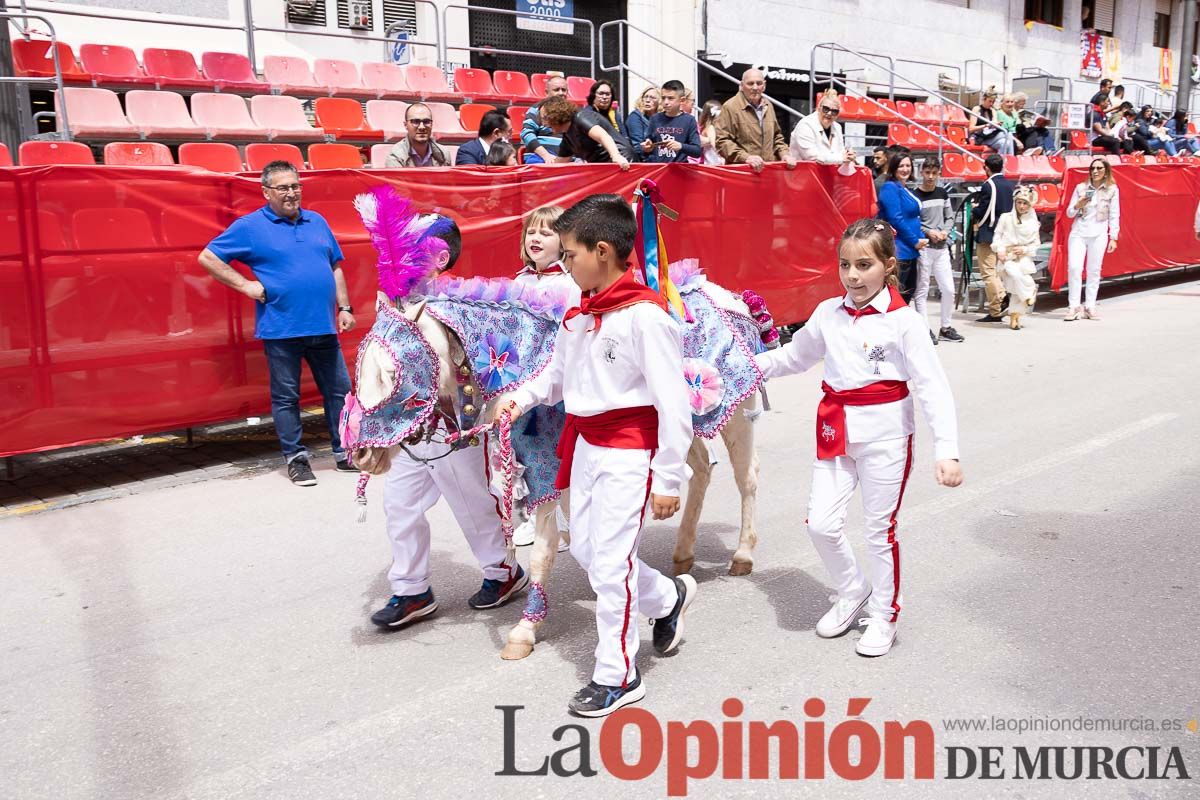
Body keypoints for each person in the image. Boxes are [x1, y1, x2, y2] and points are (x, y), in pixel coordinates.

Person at [495, 194, 697, 716]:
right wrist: (519, 398)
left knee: (609, 565)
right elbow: (556, 378)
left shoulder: (646, 318)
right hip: (584, 448)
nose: (562, 264)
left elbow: (675, 404)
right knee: (586, 552)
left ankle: (618, 674)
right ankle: (667, 599)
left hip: (630, 452)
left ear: (602, 251)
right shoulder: (579, 315)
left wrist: (669, 477)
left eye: (568, 254)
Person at [753, 218, 962, 658]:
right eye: (845, 264)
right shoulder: (828, 313)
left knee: (878, 532)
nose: (852, 275)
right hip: (835, 431)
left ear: (888, 265)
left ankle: (884, 614)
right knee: (822, 524)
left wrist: (947, 451)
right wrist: (748, 367)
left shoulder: (904, 322)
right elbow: (795, 356)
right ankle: (852, 589)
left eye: (864, 265)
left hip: (886, 437)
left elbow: (932, 387)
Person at [369, 216, 529, 628]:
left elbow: (486, 363)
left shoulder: (460, 305)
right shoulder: (390, 301)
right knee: (399, 507)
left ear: (441, 258)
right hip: (407, 429)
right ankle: (411, 590)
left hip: (451, 427)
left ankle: (502, 572)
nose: (400, 253)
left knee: (472, 505)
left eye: (414, 247)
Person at [198, 161, 356, 486]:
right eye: (283, 188)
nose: (291, 193)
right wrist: (246, 286)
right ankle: (296, 459)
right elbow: (208, 257)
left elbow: (335, 267)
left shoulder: (317, 221)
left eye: (295, 186)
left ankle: (345, 451)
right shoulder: (250, 226)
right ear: (266, 192)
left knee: (339, 391)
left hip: (324, 326)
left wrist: (345, 307)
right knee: (287, 397)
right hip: (281, 328)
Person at [510, 205, 581, 548]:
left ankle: (566, 524)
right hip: (523, 386)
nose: (536, 238)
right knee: (527, 455)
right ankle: (539, 517)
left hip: (558, 388)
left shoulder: (570, 284)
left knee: (560, 457)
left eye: (547, 232)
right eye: (531, 232)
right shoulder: (518, 281)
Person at [912, 157, 964, 344]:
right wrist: (928, 231)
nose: (931, 177)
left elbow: (949, 217)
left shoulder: (943, 193)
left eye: (934, 173)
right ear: (921, 172)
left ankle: (946, 327)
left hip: (941, 247)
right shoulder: (915, 195)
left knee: (949, 289)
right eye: (927, 172)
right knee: (922, 290)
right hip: (924, 247)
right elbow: (914, 222)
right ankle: (924, 329)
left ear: (939, 174)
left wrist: (944, 231)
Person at [1064, 158, 1120, 321]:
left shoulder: (1112, 190)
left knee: (1094, 270)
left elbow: (1114, 214)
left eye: (1099, 168)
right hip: (1079, 232)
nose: (1095, 171)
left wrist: (1113, 236)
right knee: (1074, 268)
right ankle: (1074, 306)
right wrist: (1078, 204)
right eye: (1093, 168)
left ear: (1105, 171)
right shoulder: (1081, 188)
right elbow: (1069, 212)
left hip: (1099, 232)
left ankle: (1090, 305)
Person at [713, 68, 796, 173]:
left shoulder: (768, 105)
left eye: (759, 83)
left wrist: (785, 154)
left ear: (764, 85)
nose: (755, 87)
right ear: (742, 86)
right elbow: (722, 142)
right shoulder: (730, 107)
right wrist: (746, 157)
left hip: (767, 173)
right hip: (743, 174)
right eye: (750, 83)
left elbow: (776, 137)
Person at [876, 153, 927, 303]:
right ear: (893, 168)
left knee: (908, 292)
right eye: (901, 166)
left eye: (908, 165)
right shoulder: (890, 187)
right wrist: (914, 240)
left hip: (911, 250)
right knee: (896, 295)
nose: (905, 169)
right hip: (900, 249)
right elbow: (895, 218)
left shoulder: (903, 188)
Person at [970, 153, 1015, 323]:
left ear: (987, 167)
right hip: (1006, 234)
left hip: (989, 232)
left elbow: (985, 210)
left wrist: (974, 209)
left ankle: (1002, 300)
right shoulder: (1009, 185)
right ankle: (996, 310)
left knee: (988, 272)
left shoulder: (988, 185)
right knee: (997, 272)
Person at [992, 185, 1041, 330]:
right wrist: (999, 249)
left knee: (1015, 286)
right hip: (1006, 256)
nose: (1021, 206)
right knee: (1013, 276)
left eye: (1025, 203)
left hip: (1023, 257)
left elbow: (1036, 243)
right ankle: (1029, 290)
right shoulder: (1005, 218)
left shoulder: (1033, 223)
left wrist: (1025, 249)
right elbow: (997, 236)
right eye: (1019, 202)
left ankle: (1015, 317)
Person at [540, 95, 632, 167]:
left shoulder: (581, 118)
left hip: (622, 160)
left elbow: (603, 136)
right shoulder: (567, 138)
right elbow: (559, 164)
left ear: (555, 114)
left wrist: (616, 156)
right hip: (603, 166)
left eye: (545, 118)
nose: (543, 124)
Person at [788, 88, 857, 174]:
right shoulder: (805, 125)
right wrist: (842, 158)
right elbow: (812, 156)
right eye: (826, 109)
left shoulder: (837, 127)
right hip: (802, 177)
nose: (829, 113)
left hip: (826, 177)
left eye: (834, 111)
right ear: (818, 108)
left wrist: (849, 157)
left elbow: (841, 151)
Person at [643, 79, 701, 163]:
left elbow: (697, 151)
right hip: (659, 170)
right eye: (663, 98)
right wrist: (647, 148)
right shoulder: (655, 119)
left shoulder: (689, 120)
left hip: (680, 170)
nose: (666, 102)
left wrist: (681, 146)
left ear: (682, 100)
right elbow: (648, 146)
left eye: (670, 98)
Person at [521, 74, 570, 164]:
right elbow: (526, 134)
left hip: (567, 160)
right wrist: (546, 155)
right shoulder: (536, 109)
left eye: (564, 90)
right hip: (540, 159)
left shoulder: (571, 112)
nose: (561, 93)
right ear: (546, 93)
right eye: (556, 90)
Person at [385, 103, 451, 167]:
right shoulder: (396, 156)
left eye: (426, 121)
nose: (421, 127)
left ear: (432, 124)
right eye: (416, 121)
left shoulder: (444, 154)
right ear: (405, 125)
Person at [969, 87, 1015, 155]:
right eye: (989, 101)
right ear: (984, 99)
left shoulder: (993, 111)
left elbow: (993, 125)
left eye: (993, 102)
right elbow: (971, 129)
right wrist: (986, 125)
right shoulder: (976, 109)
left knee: (1005, 143)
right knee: (1008, 134)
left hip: (990, 136)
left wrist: (996, 125)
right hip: (980, 137)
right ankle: (1011, 159)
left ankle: (1000, 163)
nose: (991, 104)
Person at [625, 86, 660, 162]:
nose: (647, 100)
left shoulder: (661, 118)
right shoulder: (635, 117)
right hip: (643, 161)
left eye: (652, 98)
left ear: (659, 101)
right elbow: (637, 147)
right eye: (645, 97)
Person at [697, 100, 724, 165]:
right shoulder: (711, 128)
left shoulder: (705, 127)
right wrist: (722, 157)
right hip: (714, 160)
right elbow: (714, 144)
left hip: (709, 160)